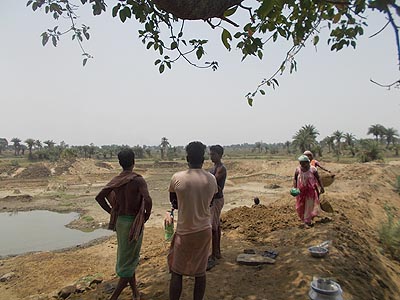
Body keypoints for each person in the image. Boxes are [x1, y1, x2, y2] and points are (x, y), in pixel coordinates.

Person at [95, 148, 152, 300]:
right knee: (130, 259)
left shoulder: (116, 180)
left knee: (128, 257)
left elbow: (99, 197)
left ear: (120, 163)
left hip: (121, 222)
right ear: (134, 161)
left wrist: (112, 211)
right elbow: (148, 199)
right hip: (133, 223)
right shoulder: (138, 180)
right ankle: (113, 297)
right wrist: (146, 215)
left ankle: (135, 293)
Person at [168, 141, 218, 300]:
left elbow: (173, 202)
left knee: (177, 272)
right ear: (203, 159)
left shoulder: (177, 178)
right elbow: (211, 201)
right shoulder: (211, 179)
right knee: (200, 272)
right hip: (204, 230)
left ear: (187, 158)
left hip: (184, 232)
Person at [293, 155, 324, 227]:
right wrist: (294, 188)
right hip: (300, 191)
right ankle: (304, 218)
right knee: (300, 206)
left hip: (310, 190)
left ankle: (307, 221)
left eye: (304, 163)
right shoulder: (298, 169)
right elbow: (295, 178)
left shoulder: (313, 169)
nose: (302, 165)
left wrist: (321, 187)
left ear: (308, 162)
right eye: (301, 163)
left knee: (309, 205)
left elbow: (318, 178)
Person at [208, 145, 227, 264]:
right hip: (213, 200)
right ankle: (216, 252)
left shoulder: (221, 168)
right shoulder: (213, 168)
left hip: (217, 200)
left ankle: (215, 253)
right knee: (216, 225)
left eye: (213, 154)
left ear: (220, 155)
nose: (211, 156)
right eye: (210, 154)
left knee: (214, 228)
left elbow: (212, 181)